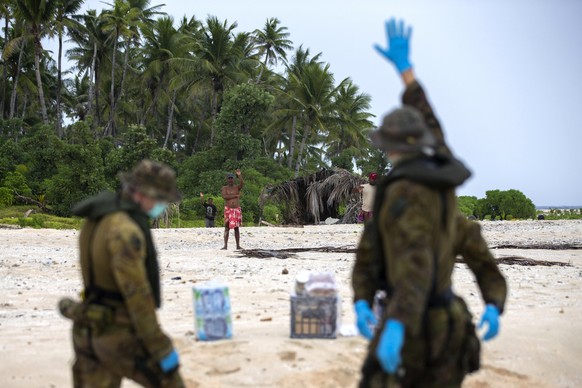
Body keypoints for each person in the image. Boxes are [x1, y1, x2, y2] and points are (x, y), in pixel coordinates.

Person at [351, 19, 507, 387]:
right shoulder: (443, 181)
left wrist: (395, 322)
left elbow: (414, 261)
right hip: (449, 322)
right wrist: (495, 298)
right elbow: (476, 247)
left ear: (389, 148)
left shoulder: (405, 193)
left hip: (414, 326)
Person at [58, 160, 185, 387]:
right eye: (161, 199)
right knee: (171, 381)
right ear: (144, 194)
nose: (162, 205)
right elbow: (138, 297)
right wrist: (159, 346)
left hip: (86, 329)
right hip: (116, 333)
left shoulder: (95, 220)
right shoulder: (125, 231)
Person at [221, 169, 244, 249]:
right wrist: (235, 196)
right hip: (228, 209)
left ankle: (238, 245)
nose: (230, 180)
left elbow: (242, 184)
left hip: (236, 209)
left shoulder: (236, 187)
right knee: (227, 227)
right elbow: (225, 196)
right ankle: (225, 245)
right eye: (229, 178)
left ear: (233, 179)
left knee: (236, 228)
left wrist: (239, 175)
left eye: (231, 178)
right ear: (227, 180)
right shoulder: (224, 188)